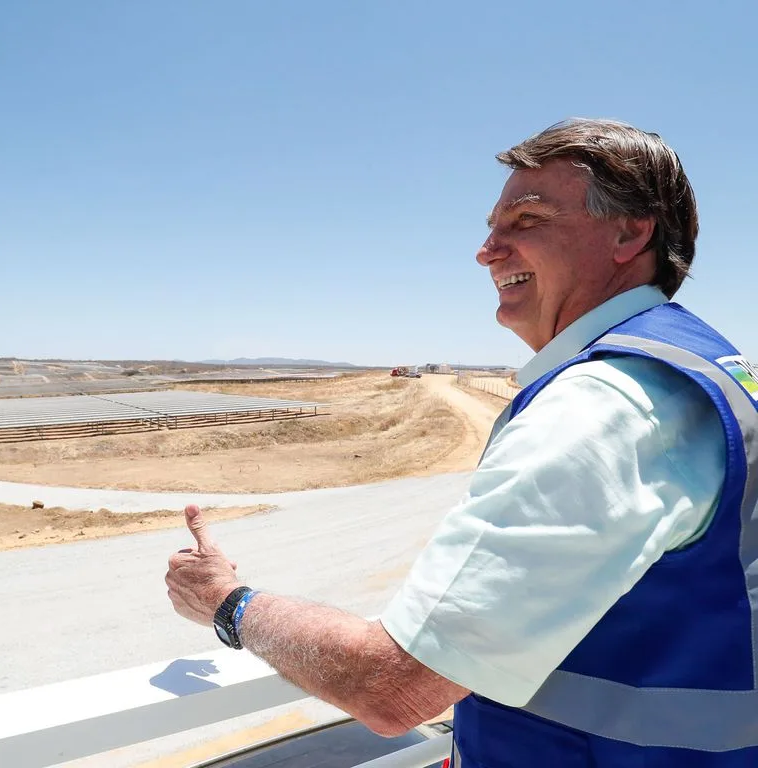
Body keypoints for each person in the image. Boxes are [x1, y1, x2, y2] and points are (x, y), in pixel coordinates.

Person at [165, 118, 758, 766]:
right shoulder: (710, 370)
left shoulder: (600, 409)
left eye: (526, 220)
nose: (487, 250)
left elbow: (393, 686)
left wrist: (226, 602)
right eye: (491, 226)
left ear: (629, 232)